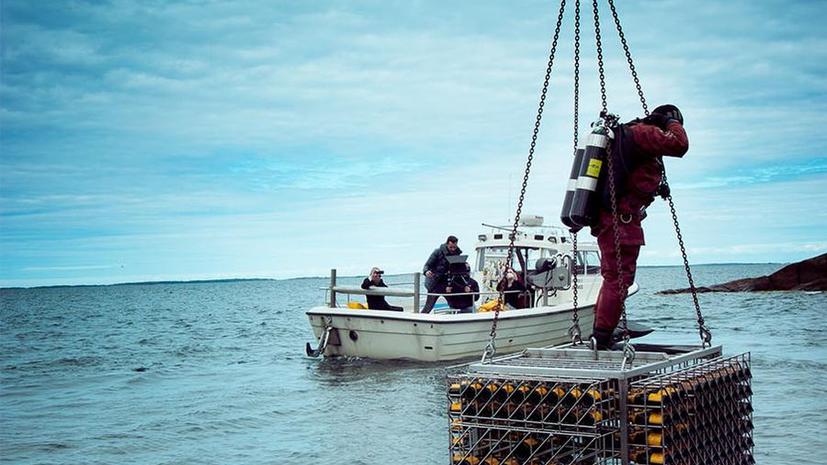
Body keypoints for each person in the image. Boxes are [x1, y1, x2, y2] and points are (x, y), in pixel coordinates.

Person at [590, 104, 688, 349]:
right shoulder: (645, 134)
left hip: (611, 218)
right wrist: (671, 123)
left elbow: (631, 180)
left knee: (614, 277)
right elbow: (680, 145)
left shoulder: (629, 136)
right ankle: (601, 338)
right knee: (618, 278)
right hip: (619, 221)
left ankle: (601, 334)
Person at [421, 235, 462, 313]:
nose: (453, 249)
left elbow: (458, 269)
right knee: (428, 307)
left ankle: (455, 321)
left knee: (454, 305)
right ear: (447, 244)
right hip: (435, 283)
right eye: (451, 247)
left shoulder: (457, 253)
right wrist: (426, 272)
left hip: (447, 284)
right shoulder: (437, 252)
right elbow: (427, 265)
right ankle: (420, 321)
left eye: (454, 247)